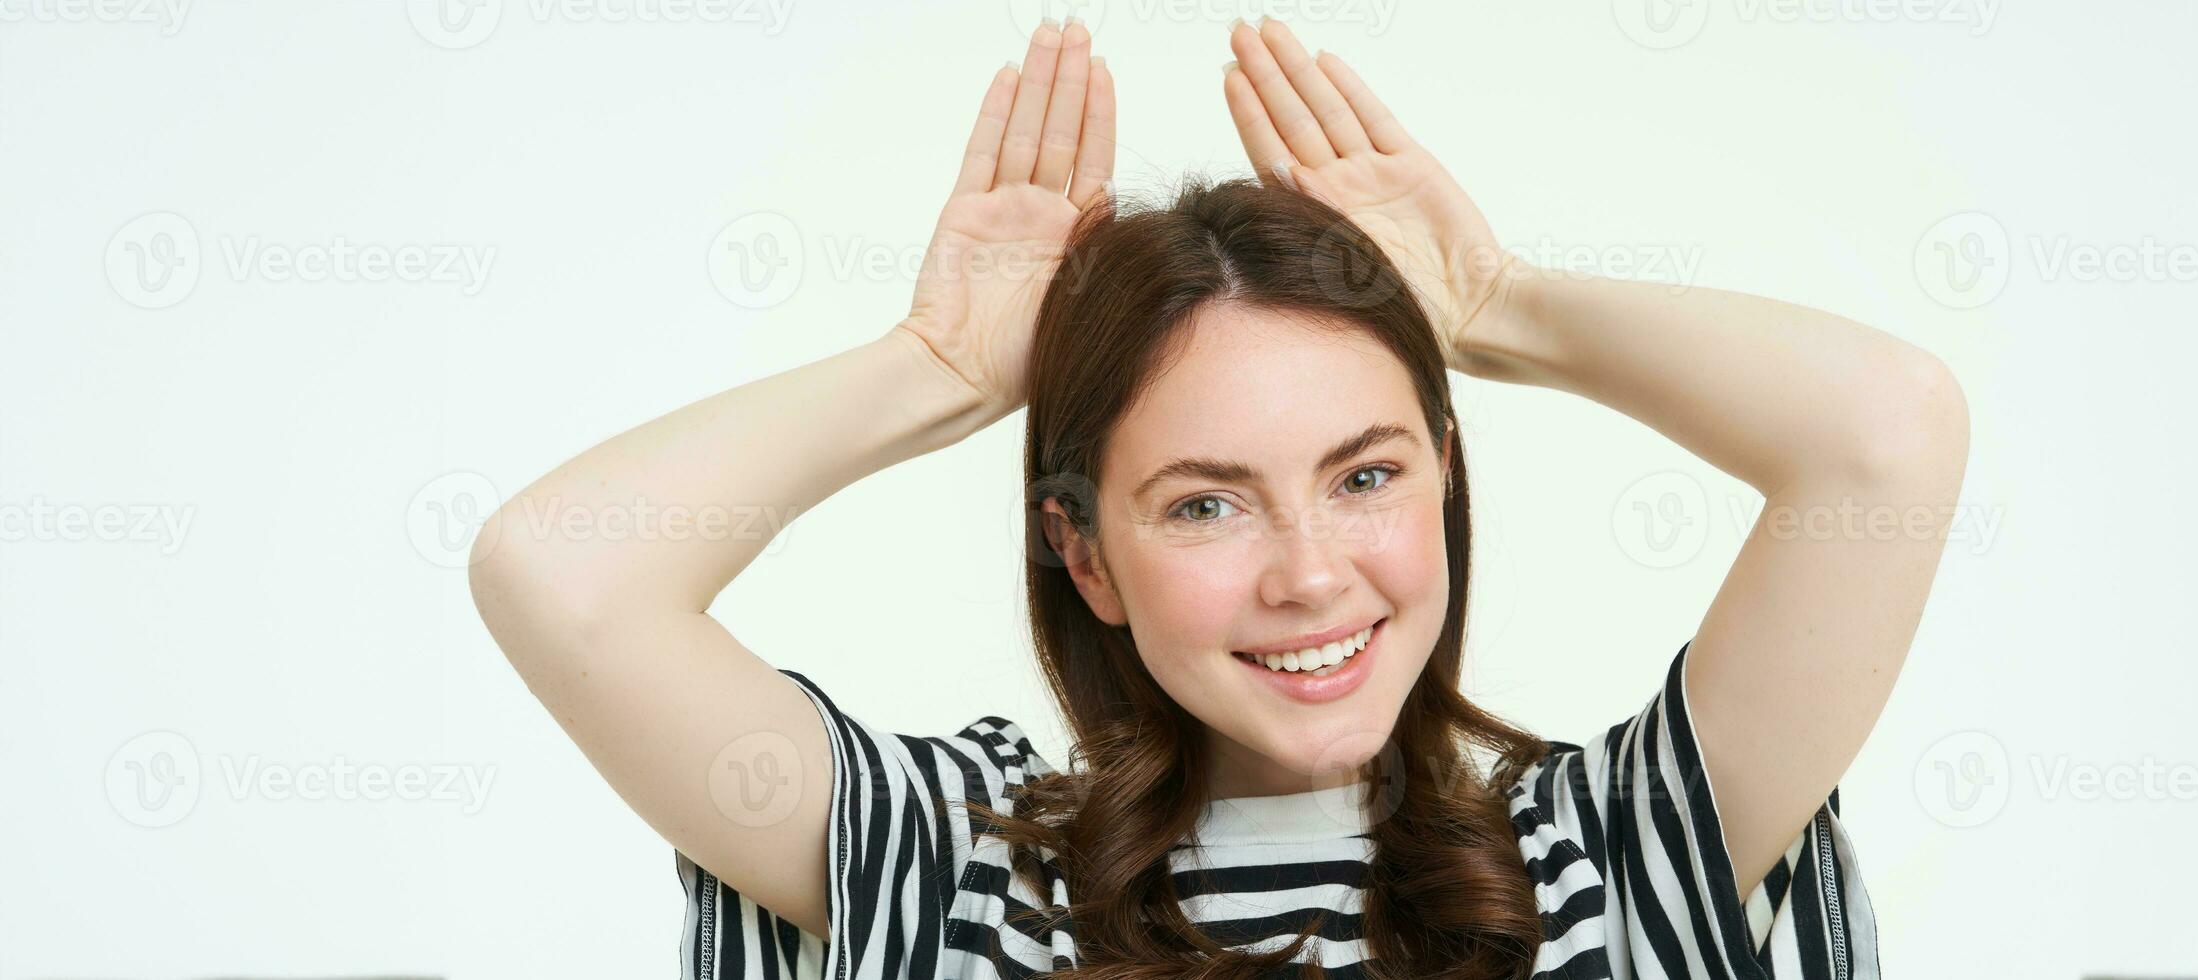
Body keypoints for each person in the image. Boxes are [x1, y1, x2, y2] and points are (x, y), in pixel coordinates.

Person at [469, 15, 1966, 980]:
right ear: (1086, 555)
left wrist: (1498, 304)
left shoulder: (1625, 859)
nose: (1313, 574)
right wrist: (933, 367)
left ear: (1446, 481)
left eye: (1368, 475)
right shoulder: (948, 881)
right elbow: (563, 575)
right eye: (1204, 505)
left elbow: (1884, 437)